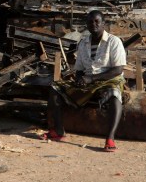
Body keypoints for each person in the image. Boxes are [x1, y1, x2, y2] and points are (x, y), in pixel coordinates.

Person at [43, 10, 127, 151]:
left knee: (114, 94)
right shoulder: (83, 43)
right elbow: (80, 68)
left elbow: (118, 70)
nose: (93, 24)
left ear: (103, 24)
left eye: (97, 22)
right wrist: (79, 79)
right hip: (89, 81)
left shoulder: (114, 41)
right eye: (90, 22)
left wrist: (90, 78)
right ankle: (59, 130)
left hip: (110, 79)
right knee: (55, 88)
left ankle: (110, 139)